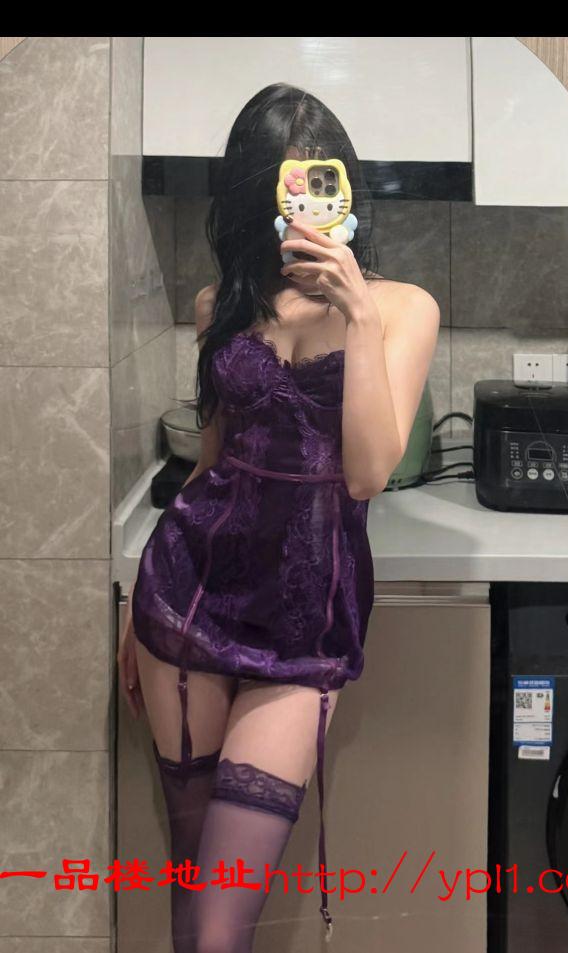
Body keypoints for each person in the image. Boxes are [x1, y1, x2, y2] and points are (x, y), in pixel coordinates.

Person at [118, 81, 440, 953]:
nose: (302, 215)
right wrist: (137, 605)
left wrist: (357, 310)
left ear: (345, 189)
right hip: (185, 601)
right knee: (191, 891)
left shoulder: (401, 308)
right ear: (252, 200)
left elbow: (366, 474)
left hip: (301, 631)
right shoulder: (219, 307)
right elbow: (210, 463)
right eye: (282, 193)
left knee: (222, 926)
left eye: (317, 189)